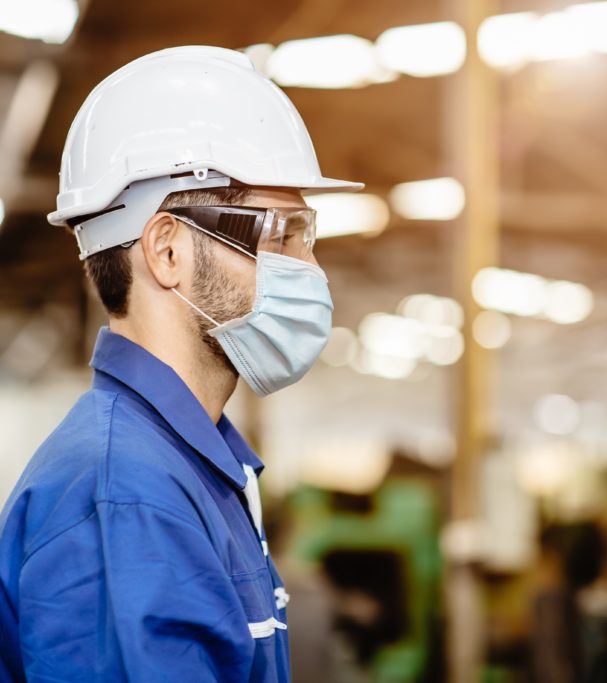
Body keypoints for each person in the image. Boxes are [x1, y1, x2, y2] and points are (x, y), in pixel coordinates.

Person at [0, 46, 363, 681]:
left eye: (306, 236)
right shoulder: (127, 495)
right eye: (278, 235)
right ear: (167, 251)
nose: (309, 270)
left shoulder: (189, 466)